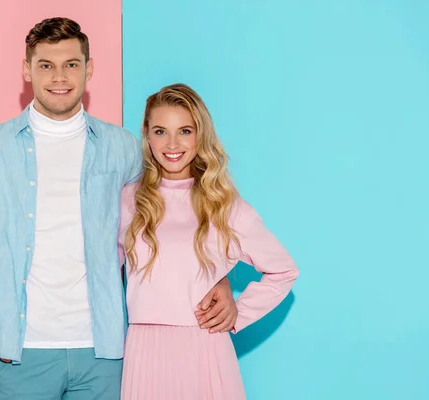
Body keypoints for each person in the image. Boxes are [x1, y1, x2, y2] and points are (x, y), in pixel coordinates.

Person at [0, 18, 238, 400]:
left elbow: (173, 221)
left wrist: (218, 278)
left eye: (71, 64)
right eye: (46, 65)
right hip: (18, 354)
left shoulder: (125, 149)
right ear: (26, 69)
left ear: (89, 68)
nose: (59, 77)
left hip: (106, 353)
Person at [118, 83, 300, 399]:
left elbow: (284, 271)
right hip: (143, 351)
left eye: (184, 131)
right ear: (146, 136)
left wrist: (238, 311)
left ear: (200, 135)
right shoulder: (128, 200)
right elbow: (97, 272)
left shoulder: (224, 205)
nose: (172, 143)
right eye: (160, 131)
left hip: (204, 350)